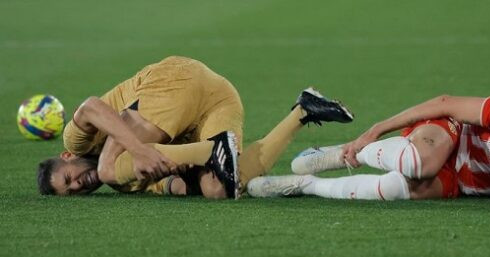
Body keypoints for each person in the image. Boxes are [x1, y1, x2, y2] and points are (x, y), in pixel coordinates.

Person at [247, 80, 490, 203]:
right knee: (417, 164)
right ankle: (355, 152)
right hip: (450, 137)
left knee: (394, 188)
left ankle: (308, 185)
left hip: (461, 182)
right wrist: (374, 131)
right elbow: (447, 104)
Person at [36, 56, 353, 198]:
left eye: (68, 179)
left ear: (66, 157)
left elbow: (92, 106)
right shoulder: (125, 182)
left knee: (109, 166)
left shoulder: (76, 142)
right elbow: (172, 185)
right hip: (220, 100)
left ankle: (213, 149)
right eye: (72, 192)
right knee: (221, 188)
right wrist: (183, 179)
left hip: (173, 81)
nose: (77, 185)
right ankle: (303, 110)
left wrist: (135, 151)